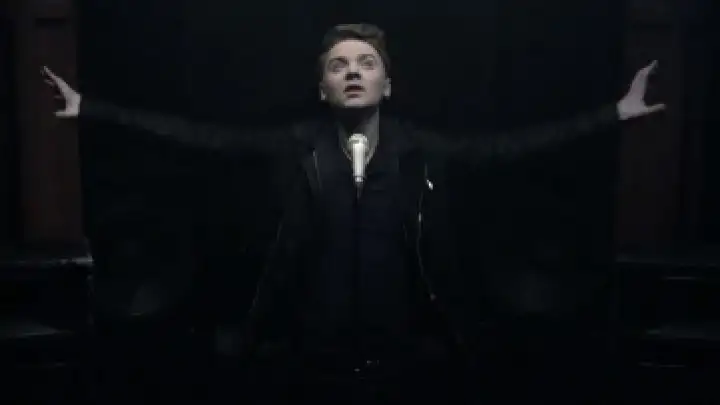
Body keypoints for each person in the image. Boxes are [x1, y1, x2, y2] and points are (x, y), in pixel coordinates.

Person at [43, 23, 664, 404]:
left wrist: (613, 115)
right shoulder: (293, 146)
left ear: (387, 85)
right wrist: (93, 110)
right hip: (310, 361)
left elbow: (514, 146)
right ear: (323, 89)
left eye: (367, 63)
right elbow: (196, 137)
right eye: (339, 65)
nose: (353, 73)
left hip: (407, 360)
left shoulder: (422, 149)